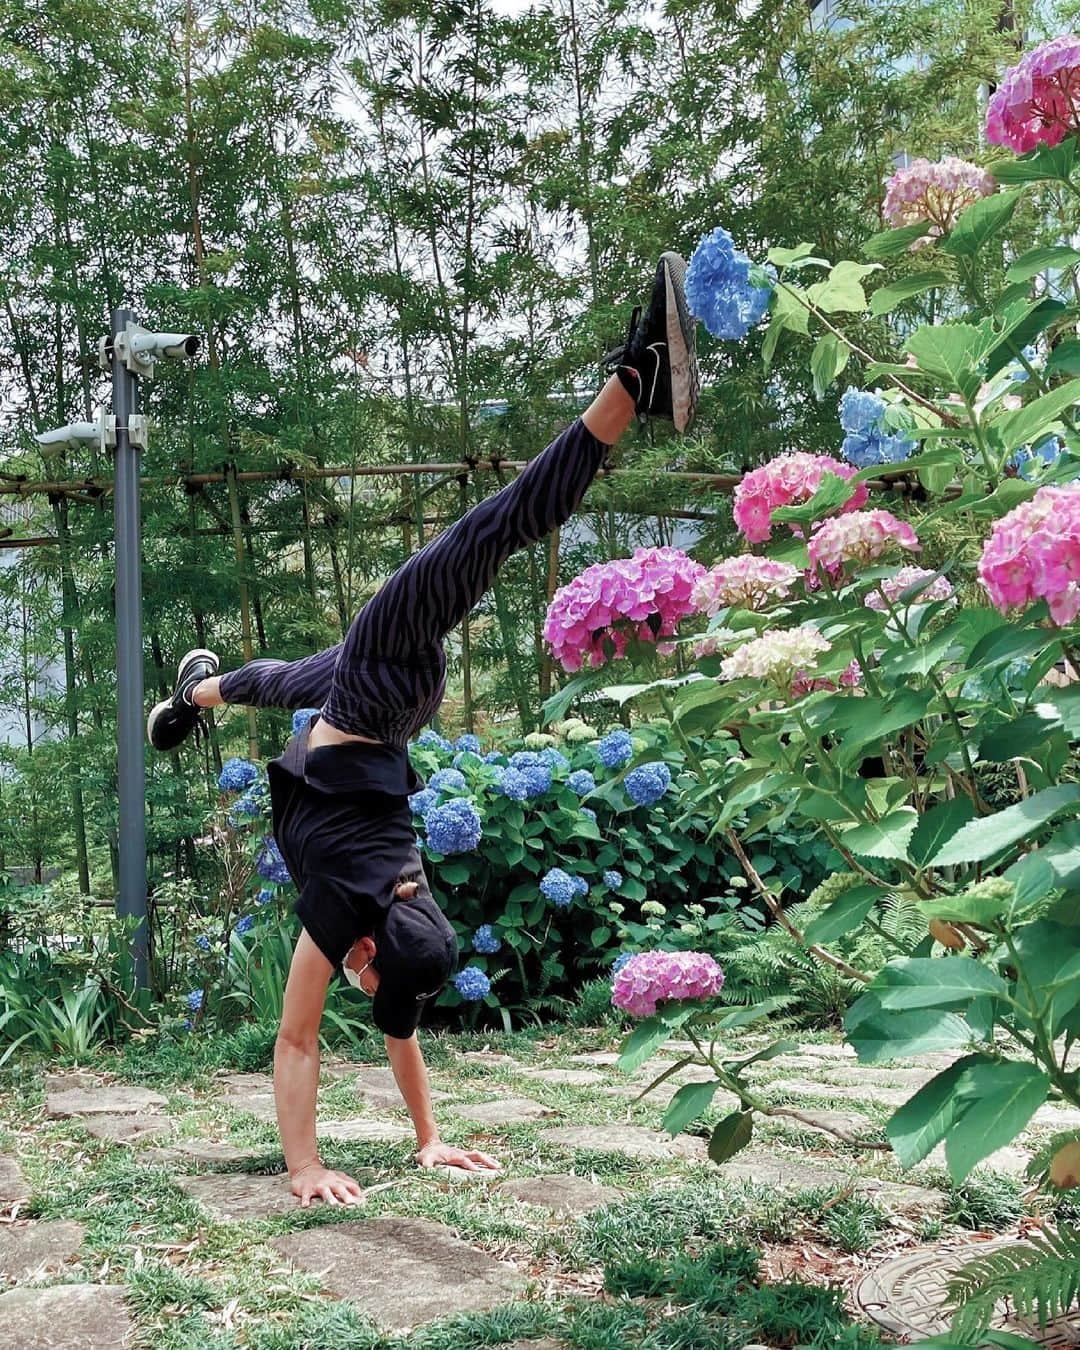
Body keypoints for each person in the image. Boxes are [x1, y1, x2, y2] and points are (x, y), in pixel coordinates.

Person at [147, 252, 699, 1207]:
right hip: (380, 711)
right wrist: (393, 1145)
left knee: (292, 677)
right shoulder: (374, 929)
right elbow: (314, 1035)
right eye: (370, 971)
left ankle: (193, 694)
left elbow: (320, 1037)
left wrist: (344, 1159)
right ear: (387, 940)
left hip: (385, 711)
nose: (361, 981)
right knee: (486, 536)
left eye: (364, 973)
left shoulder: (387, 915)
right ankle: (630, 381)